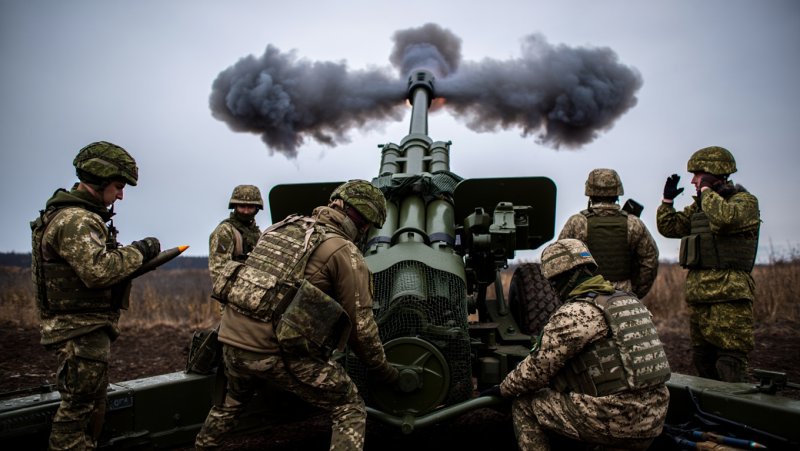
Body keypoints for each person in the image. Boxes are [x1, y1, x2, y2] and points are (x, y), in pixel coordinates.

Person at [195, 180, 398, 451]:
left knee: (231, 401)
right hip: (273, 353)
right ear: (361, 220)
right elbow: (361, 330)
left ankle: (203, 447)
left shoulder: (280, 227)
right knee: (348, 405)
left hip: (230, 343)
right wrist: (385, 371)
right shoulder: (343, 251)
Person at [31, 141, 161, 450]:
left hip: (84, 329)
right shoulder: (77, 220)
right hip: (80, 332)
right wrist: (139, 251)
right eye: (118, 186)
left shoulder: (70, 215)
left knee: (88, 405)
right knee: (77, 409)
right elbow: (98, 272)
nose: (121, 194)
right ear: (99, 181)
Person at [482, 239, 670, 451]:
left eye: (553, 282)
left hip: (617, 421)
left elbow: (535, 372)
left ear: (565, 278)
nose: (553, 290)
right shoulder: (630, 301)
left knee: (524, 406)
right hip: (653, 417)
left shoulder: (576, 312)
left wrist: (503, 390)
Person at [656, 146, 760, 382]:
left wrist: (705, 190)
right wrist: (667, 201)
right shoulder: (701, 206)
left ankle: (734, 414)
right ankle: (711, 416)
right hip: (700, 294)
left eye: (698, 175)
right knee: (703, 358)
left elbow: (724, 220)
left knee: (730, 362)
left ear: (713, 174)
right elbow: (670, 227)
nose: (692, 180)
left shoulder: (745, 202)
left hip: (729, 294)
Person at [558, 168, 659, 299]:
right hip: (623, 297)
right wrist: (636, 294)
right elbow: (650, 261)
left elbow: (559, 261)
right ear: (618, 192)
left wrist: (569, 294)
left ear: (589, 193)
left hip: (585, 298)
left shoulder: (577, 223)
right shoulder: (634, 224)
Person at [208, 185, 263, 283]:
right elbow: (219, 271)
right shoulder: (225, 232)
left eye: (250, 207)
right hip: (235, 293)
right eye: (242, 206)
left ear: (257, 208)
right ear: (235, 206)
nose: (246, 212)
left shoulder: (259, 234)